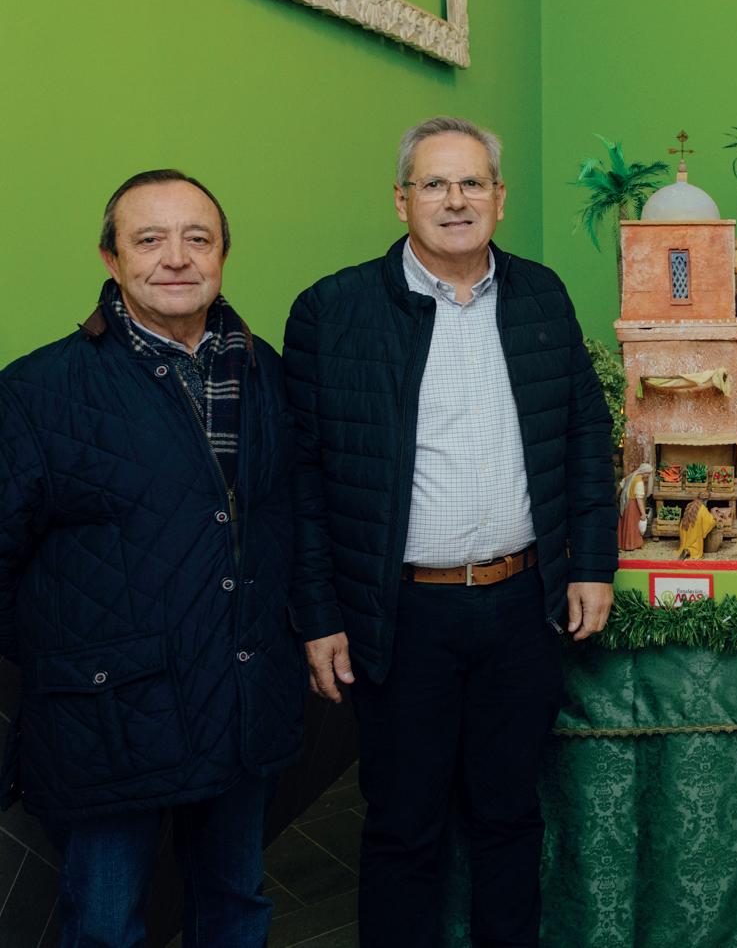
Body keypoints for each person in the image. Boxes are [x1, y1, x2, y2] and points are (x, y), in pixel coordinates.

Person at [284, 117, 617, 948]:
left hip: (522, 605)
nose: (455, 199)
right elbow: (303, 479)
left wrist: (593, 563)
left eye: (472, 183)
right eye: (434, 183)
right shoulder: (332, 311)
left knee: (508, 815)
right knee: (404, 825)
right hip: (402, 615)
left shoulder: (541, 295)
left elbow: (584, 433)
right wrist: (319, 614)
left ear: (500, 199)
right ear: (401, 200)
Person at [0, 170, 303, 945]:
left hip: (237, 701)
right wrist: (66, 655)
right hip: (108, 719)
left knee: (234, 906)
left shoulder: (265, 372)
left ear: (224, 254)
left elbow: (285, 522)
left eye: (197, 238)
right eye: (149, 239)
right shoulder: (38, 391)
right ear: (111, 258)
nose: (176, 257)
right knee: (106, 924)